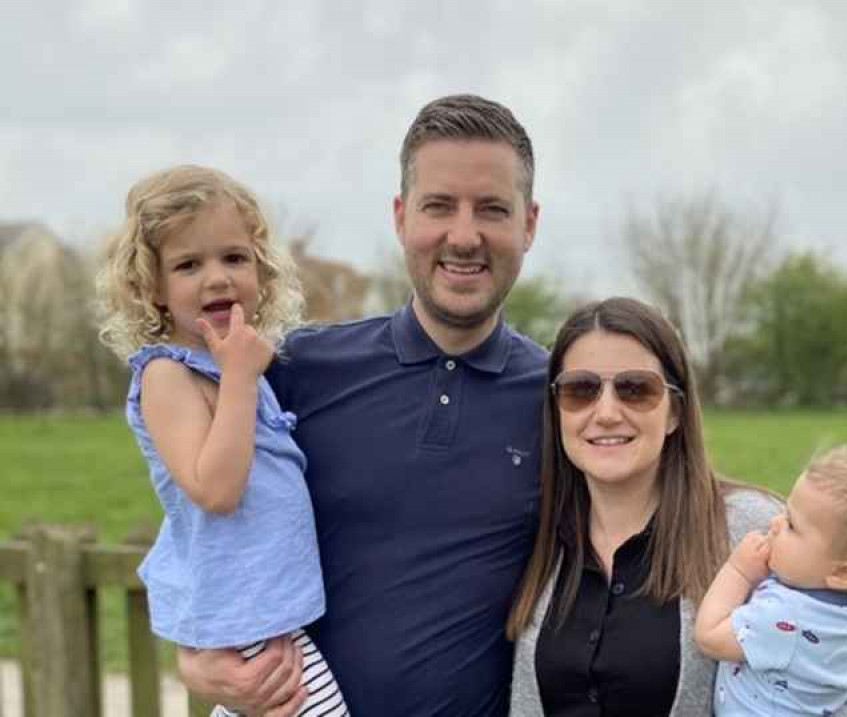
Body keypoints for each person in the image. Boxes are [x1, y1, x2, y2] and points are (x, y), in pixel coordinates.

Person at [175, 94, 547, 717]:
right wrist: (193, 658)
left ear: (528, 224)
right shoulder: (294, 372)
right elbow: (203, 529)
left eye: (492, 209)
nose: (463, 235)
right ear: (401, 217)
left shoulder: (566, 401)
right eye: (438, 206)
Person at [507, 297, 847, 716]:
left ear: (675, 411)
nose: (606, 412)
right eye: (580, 389)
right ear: (556, 407)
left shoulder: (757, 531)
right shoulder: (529, 534)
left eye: (636, 389)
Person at [96, 165, 349, 717]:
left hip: (269, 610)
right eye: (188, 264)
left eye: (234, 258)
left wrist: (239, 373)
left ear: (262, 270)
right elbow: (215, 490)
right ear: (153, 289)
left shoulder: (236, 365)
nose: (217, 278)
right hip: (242, 609)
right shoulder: (168, 374)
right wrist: (238, 379)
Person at [694, 445, 847, 716]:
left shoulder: (783, 617)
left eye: (792, 525)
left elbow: (710, 636)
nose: (774, 523)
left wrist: (738, 571)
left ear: (844, 575)